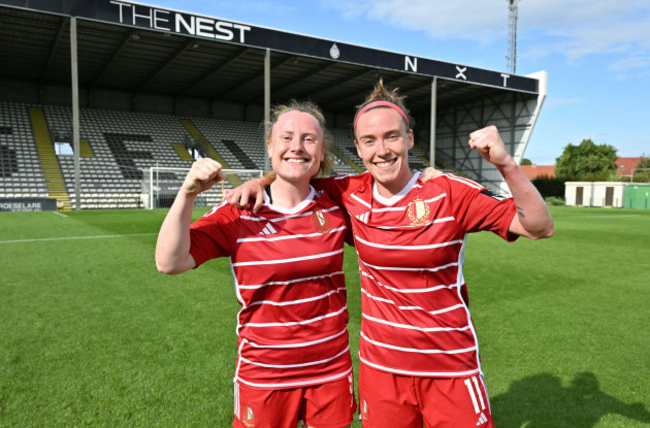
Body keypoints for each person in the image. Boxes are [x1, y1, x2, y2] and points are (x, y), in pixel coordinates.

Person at [225, 80, 554, 428]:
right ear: (359, 147)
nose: (381, 150)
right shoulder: (349, 193)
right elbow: (294, 171)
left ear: (410, 139)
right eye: (370, 140)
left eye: (391, 136)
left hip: (449, 365)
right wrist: (257, 182)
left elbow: (538, 226)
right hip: (380, 371)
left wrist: (506, 164)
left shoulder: (449, 192)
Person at [155, 100, 357, 428]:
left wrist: (430, 176)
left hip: (331, 367)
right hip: (266, 372)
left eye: (309, 139)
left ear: (321, 152)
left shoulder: (336, 202)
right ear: (270, 146)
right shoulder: (240, 210)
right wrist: (188, 193)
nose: (297, 147)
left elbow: (392, 195)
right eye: (287, 137)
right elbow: (169, 261)